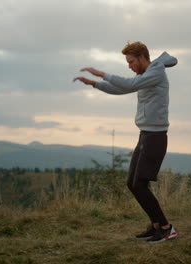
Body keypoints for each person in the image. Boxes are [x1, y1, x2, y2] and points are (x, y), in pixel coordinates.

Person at [73, 41, 178, 243]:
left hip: (155, 137)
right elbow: (122, 89)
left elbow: (129, 85)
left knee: (139, 185)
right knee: (132, 183)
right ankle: (156, 226)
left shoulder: (156, 73)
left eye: (131, 61)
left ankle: (166, 228)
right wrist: (94, 84)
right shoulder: (146, 76)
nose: (129, 65)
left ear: (141, 57)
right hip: (145, 135)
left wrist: (101, 73)